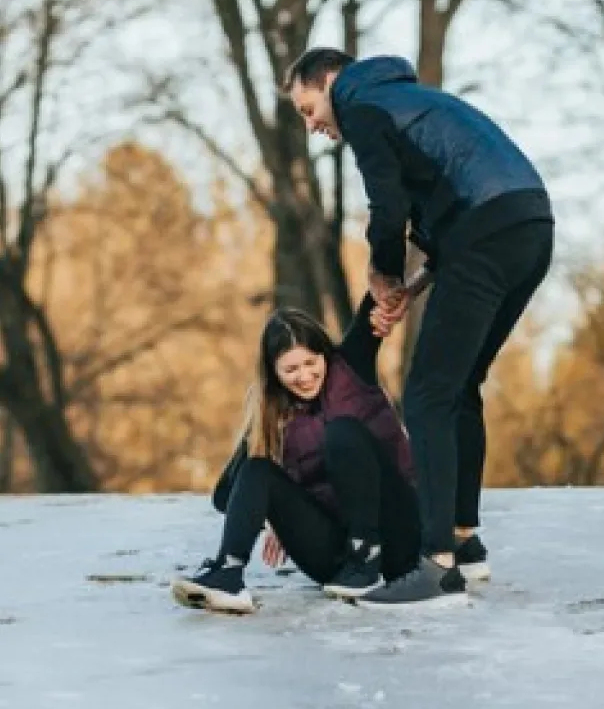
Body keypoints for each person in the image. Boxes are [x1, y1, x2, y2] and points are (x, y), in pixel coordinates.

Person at [285, 49, 554, 608]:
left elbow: (389, 207)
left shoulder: (361, 104)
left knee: (427, 394)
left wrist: (383, 272)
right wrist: (413, 284)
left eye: (309, 108)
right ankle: (464, 539)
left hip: (487, 235)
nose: (313, 126)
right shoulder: (417, 100)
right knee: (458, 387)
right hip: (530, 227)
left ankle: (436, 565)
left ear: (329, 82)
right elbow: (448, 207)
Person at [170, 293, 441, 614]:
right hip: (335, 563)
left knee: (342, 433)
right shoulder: (271, 415)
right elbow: (226, 495)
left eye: (311, 363)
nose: (304, 376)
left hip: (398, 534)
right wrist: (279, 515)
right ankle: (228, 574)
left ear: (324, 355)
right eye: (291, 369)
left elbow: (379, 296)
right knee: (257, 469)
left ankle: (366, 553)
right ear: (274, 373)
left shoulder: (352, 366)